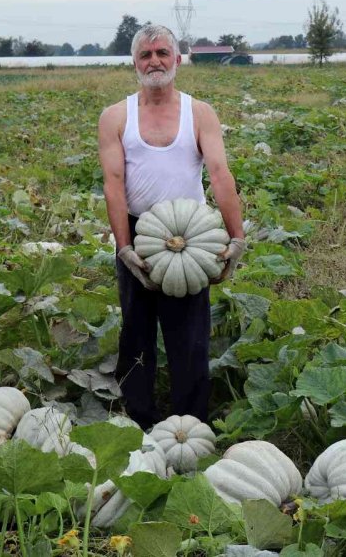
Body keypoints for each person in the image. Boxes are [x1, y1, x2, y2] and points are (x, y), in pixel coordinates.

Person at [97, 24, 245, 429]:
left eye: (162, 53)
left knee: (190, 337)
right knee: (136, 330)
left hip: (192, 234)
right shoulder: (116, 116)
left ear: (177, 59)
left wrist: (237, 238)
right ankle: (139, 419)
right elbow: (113, 184)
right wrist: (124, 247)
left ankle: (190, 424)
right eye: (146, 55)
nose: (155, 61)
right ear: (134, 63)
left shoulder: (199, 113)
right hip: (138, 232)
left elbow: (220, 174)